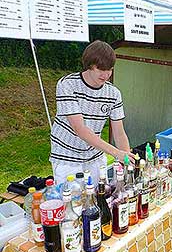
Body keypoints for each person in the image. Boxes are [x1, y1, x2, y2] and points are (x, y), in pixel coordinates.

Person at [50, 40, 135, 186]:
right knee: (73, 203)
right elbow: (80, 129)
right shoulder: (67, 84)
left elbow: (119, 133)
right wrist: (116, 153)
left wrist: (126, 160)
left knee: (99, 199)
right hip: (66, 156)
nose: (106, 74)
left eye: (110, 69)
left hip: (94, 156)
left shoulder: (113, 93)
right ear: (89, 65)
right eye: (101, 69)